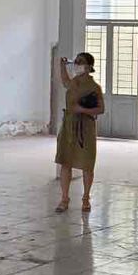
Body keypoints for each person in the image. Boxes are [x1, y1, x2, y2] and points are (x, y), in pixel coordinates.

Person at [54, 52, 104, 214]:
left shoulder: (94, 87)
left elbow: (101, 109)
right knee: (65, 162)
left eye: (80, 62)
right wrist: (62, 66)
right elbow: (64, 81)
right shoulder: (73, 83)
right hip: (69, 126)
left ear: (89, 67)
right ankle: (64, 198)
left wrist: (82, 109)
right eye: (75, 61)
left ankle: (86, 198)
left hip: (86, 128)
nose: (76, 64)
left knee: (87, 164)